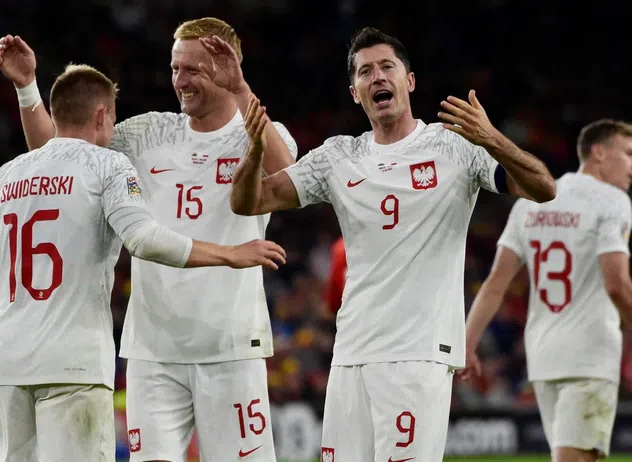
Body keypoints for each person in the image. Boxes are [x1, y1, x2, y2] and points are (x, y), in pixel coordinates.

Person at [0, 64, 285, 462]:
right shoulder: (107, 166)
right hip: (73, 364)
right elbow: (144, 238)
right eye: (112, 117)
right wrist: (230, 253)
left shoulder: (9, 174)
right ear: (101, 115)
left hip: (5, 365)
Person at [230, 27, 556, 461]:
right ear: (354, 92)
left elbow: (544, 188)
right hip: (350, 354)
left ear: (410, 80)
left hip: (417, 354)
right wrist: (254, 151)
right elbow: (250, 201)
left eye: (387, 67)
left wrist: (491, 138)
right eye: (366, 71)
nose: (378, 77)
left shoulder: (455, 145)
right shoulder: (337, 156)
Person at [461, 119, 632, 462]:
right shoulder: (612, 201)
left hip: (544, 356)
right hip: (589, 357)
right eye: (628, 153)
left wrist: (469, 342)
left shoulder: (531, 201)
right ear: (598, 153)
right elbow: (618, 285)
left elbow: (494, 284)